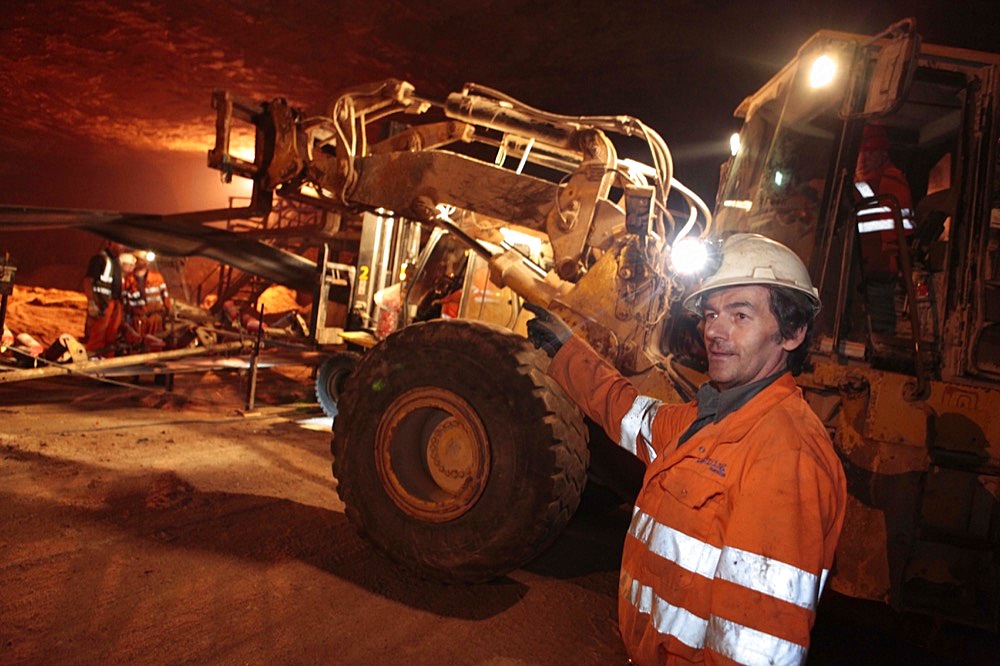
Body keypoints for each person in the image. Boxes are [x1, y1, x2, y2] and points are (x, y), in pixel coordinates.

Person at [525, 233, 847, 665]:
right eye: (711, 314)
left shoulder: (786, 457)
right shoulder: (712, 417)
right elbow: (631, 415)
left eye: (740, 315)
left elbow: (754, 647)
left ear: (792, 333)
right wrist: (567, 352)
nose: (714, 330)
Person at [854, 124, 914, 334]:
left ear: (881, 154)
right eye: (860, 153)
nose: (862, 159)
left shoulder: (890, 181)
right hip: (860, 274)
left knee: (879, 333)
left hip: (879, 277)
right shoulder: (864, 183)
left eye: (868, 153)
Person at [82, 241, 127, 357]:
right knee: (97, 336)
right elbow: (88, 281)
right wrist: (91, 302)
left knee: (111, 337)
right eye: (120, 244)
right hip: (103, 305)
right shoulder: (100, 259)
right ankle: (93, 365)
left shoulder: (116, 262)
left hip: (115, 305)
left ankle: (107, 365)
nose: (123, 247)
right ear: (110, 243)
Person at [124, 253, 172, 340]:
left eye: (141, 259)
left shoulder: (157, 277)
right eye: (138, 259)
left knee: (155, 343)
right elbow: (124, 301)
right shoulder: (128, 279)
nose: (139, 261)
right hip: (138, 318)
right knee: (137, 344)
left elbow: (165, 296)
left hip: (155, 318)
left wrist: (167, 312)